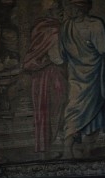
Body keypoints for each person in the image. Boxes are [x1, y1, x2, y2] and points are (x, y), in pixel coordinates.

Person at [59, 0, 105, 159]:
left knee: (75, 108)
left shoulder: (66, 27)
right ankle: (78, 148)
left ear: (79, 8)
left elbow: (63, 53)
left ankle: (76, 148)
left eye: (70, 6)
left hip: (78, 74)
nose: (67, 9)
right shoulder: (94, 24)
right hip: (95, 75)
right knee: (94, 109)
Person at [21, 0, 66, 157]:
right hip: (45, 73)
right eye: (57, 8)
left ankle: (53, 143)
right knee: (45, 109)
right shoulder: (49, 28)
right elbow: (55, 55)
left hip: (52, 72)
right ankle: (45, 150)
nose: (60, 11)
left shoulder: (56, 26)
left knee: (57, 104)